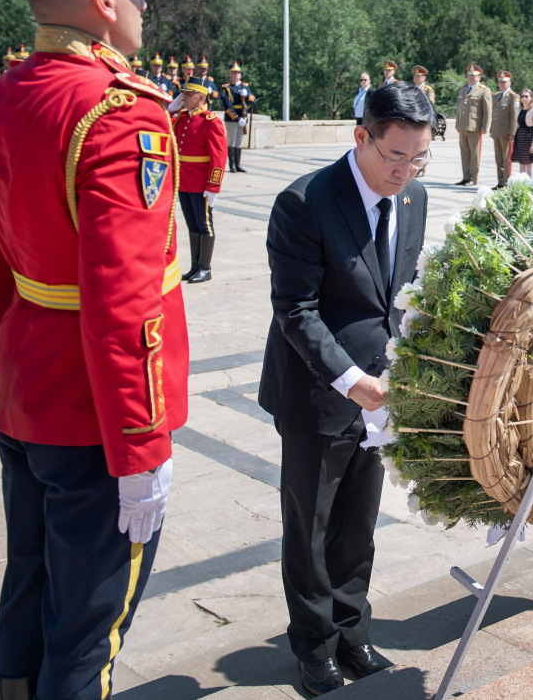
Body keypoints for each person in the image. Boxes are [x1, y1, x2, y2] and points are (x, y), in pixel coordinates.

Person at [0, 0, 186, 695]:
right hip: (99, 418)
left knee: (28, 585)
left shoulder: (1, 98)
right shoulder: (122, 112)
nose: (140, 5)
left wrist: (11, 377)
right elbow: (124, 301)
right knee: (90, 629)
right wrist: (140, 446)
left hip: (28, 390)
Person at [257, 82, 434, 697]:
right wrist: (352, 381)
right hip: (317, 391)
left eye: (418, 159)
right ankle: (313, 645)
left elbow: (402, 294)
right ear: (362, 137)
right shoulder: (304, 202)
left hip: (381, 394)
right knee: (310, 524)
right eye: (395, 158)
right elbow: (296, 310)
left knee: (358, 523)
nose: (406, 173)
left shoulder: (414, 198)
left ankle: (353, 632)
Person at [172, 76, 227, 284]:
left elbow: (219, 156)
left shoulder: (210, 121)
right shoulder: (181, 118)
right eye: (183, 93)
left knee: (205, 224)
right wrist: (172, 107)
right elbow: (164, 125)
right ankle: (195, 265)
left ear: (201, 97)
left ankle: (205, 267)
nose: (183, 97)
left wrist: (213, 186)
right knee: (191, 223)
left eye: (188, 94)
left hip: (200, 182)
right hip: (184, 180)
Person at [455, 64, 490, 185]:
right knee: (464, 153)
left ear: (479, 77)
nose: (471, 77)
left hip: (475, 127)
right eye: (469, 75)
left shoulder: (483, 90)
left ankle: (473, 178)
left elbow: (487, 109)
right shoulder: (463, 89)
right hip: (463, 126)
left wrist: (485, 126)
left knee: (474, 154)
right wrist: (457, 123)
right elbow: (459, 108)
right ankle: (465, 176)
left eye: (473, 76)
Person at [220, 61, 255, 173]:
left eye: (238, 73)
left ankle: (238, 164)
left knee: (239, 142)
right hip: (232, 119)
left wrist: (247, 96)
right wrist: (237, 118)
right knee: (232, 142)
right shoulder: (227, 88)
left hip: (243, 117)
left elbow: (253, 100)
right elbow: (227, 105)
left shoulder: (244, 87)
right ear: (230, 74)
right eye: (234, 72)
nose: (236, 74)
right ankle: (232, 165)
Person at [489, 71, 519, 189]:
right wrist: (492, 130)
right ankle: (500, 181)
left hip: (506, 132)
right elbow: (494, 114)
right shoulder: (497, 96)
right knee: (499, 158)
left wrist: (512, 132)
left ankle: (507, 182)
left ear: (509, 83)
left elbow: (514, 116)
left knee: (507, 159)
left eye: (504, 82)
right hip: (497, 132)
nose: (502, 84)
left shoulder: (513, 97)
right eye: (500, 82)